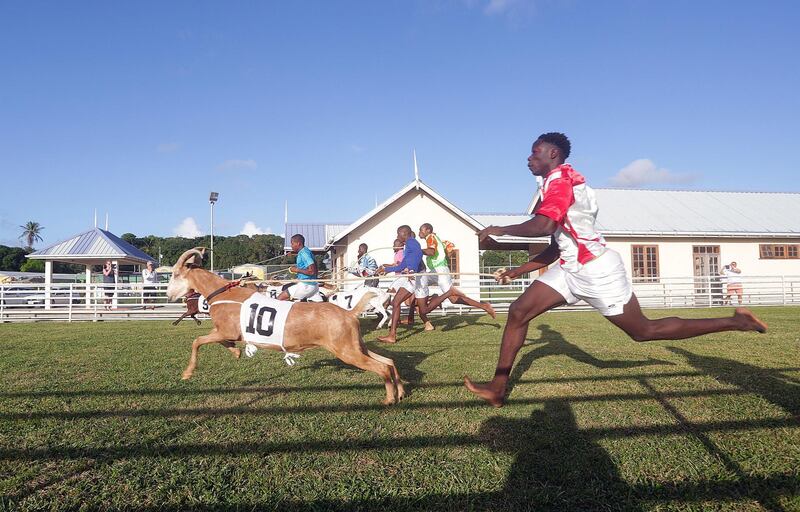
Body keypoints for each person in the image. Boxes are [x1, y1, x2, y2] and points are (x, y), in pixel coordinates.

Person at [464, 132, 768, 408]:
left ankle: (735, 321)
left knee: (644, 331)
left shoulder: (561, 182)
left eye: (534, 153)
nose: (528, 158)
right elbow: (558, 245)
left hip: (597, 271)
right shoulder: (553, 185)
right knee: (519, 311)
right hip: (571, 269)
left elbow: (543, 225)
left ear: (552, 155)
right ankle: (498, 388)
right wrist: (519, 271)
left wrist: (500, 229)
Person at [417, 223, 495, 319]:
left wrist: (417, 250)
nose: (419, 233)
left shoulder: (431, 237)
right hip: (436, 271)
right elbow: (449, 252)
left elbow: (431, 251)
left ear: (428, 230)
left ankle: (484, 306)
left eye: (421, 230)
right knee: (418, 282)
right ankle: (434, 299)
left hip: (440, 271)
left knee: (454, 299)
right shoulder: (435, 238)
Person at [376, 225, 433, 342]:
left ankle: (442, 296)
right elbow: (402, 265)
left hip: (419, 277)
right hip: (412, 278)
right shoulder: (407, 246)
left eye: (398, 234)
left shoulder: (412, 242)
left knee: (424, 310)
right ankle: (392, 335)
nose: (397, 237)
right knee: (396, 302)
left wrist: (412, 269)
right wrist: (386, 270)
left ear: (403, 233)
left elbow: (418, 254)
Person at [278, 234, 319, 301]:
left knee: (280, 299)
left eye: (292, 244)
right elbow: (315, 266)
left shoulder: (304, 253)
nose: (291, 246)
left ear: (298, 243)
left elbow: (312, 271)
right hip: (312, 285)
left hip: (306, 286)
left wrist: (296, 270)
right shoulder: (306, 251)